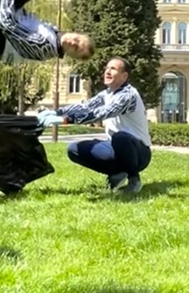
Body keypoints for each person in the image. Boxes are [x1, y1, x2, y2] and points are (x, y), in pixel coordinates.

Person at [40, 58, 151, 194]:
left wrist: (65, 120)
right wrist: (56, 112)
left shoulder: (128, 95)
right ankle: (117, 173)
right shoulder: (106, 94)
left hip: (139, 152)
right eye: (107, 68)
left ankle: (134, 180)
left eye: (113, 69)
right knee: (74, 149)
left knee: (120, 138)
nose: (108, 72)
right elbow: (85, 106)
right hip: (116, 147)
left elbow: (101, 113)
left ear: (124, 76)